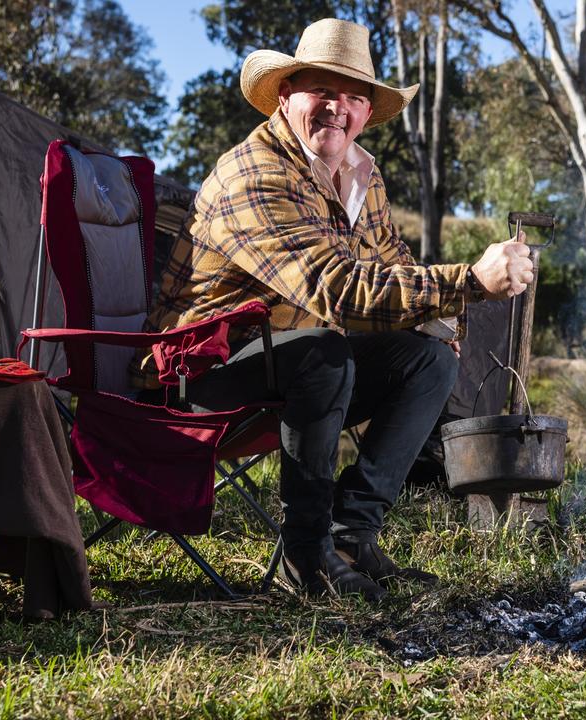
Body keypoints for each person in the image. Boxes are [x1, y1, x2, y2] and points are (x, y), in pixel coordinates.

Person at [133, 18, 534, 602]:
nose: (336, 109)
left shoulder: (359, 176)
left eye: (352, 97)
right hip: (193, 374)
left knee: (427, 359)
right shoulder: (254, 174)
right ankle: (307, 555)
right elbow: (336, 290)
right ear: (287, 96)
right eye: (321, 92)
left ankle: (351, 536)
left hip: (283, 361)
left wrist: (441, 323)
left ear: (368, 111)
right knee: (323, 351)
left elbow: (389, 264)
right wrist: (471, 279)